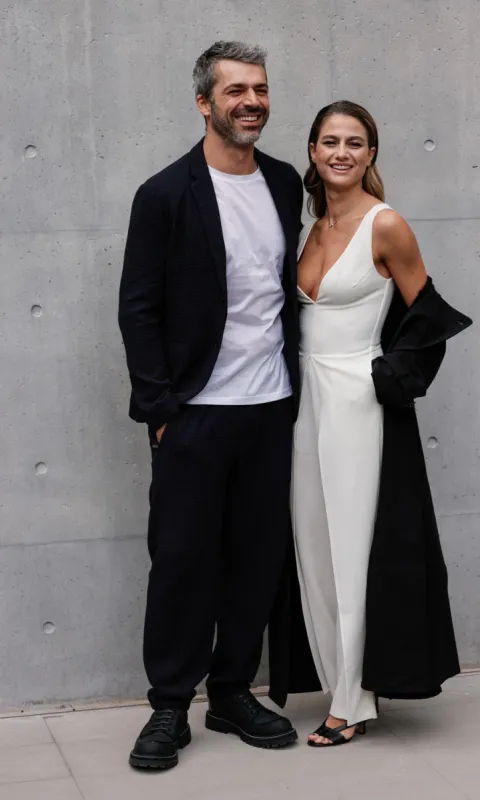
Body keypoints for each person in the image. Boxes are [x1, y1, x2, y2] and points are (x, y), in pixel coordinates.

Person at [118, 41, 303, 770]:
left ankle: (231, 693)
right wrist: (162, 407)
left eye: (259, 89)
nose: (251, 101)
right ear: (205, 103)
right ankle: (169, 705)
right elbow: (139, 309)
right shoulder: (164, 194)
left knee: (255, 558)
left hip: (271, 407)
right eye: (235, 91)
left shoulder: (287, 182)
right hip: (195, 412)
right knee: (183, 560)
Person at [291, 101, 472, 747]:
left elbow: (428, 319)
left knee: (352, 549)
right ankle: (336, 679)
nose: (341, 151)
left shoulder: (385, 224)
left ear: (371, 154)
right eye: (330, 140)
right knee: (312, 547)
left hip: (356, 404)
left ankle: (353, 700)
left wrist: (382, 380)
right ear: (312, 149)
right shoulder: (308, 228)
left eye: (355, 142)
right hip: (301, 405)